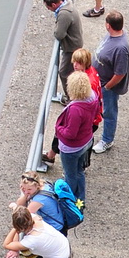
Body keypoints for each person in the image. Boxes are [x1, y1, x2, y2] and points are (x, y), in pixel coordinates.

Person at [38, 71, 96, 205]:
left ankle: (68, 202)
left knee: (70, 175)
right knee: (79, 171)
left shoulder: (76, 109)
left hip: (72, 148)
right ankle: (80, 199)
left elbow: (70, 134)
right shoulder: (92, 97)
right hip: (86, 140)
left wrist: (58, 128)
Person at [92, 12, 129, 153]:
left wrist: (107, 87)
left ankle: (107, 140)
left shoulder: (120, 48)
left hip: (108, 87)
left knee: (109, 113)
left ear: (108, 25)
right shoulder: (112, 36)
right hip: (99, 82)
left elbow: (120, 73)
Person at [41, 0, 82, 99]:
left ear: (53, 4)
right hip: (75, 44)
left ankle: (71, 97)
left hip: (71, 47)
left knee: (64, 73)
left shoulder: (64, 14)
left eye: (48, 7)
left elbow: (59, 34)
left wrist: (56, 30)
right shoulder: (67, 5)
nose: (48, 10)